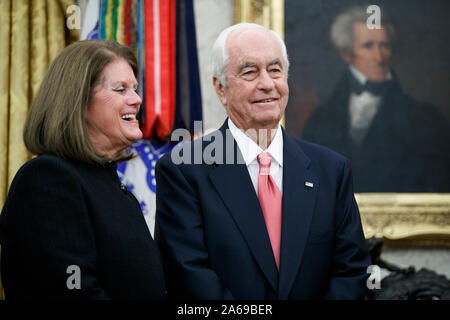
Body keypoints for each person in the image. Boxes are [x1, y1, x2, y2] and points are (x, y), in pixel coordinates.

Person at [155, 23, 371, 300]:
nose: (267, 84)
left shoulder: (331, 170)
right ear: (220, 88)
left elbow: (351, 272)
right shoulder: (183, 170)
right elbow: (189, 277)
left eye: (275, 70)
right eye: (249, 72)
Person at [0, 40, 166, 299]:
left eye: (135, 88)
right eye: (120, 89)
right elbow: (73, 290)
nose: (136, 99)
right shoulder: (47, 179)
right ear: (79, 100)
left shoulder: (114, 186)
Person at [302, 4, 450, 192]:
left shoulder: (426, 119)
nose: (379, 57)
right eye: (368, 46)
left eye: (385, 46)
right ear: (346, 53)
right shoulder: (319, 121)